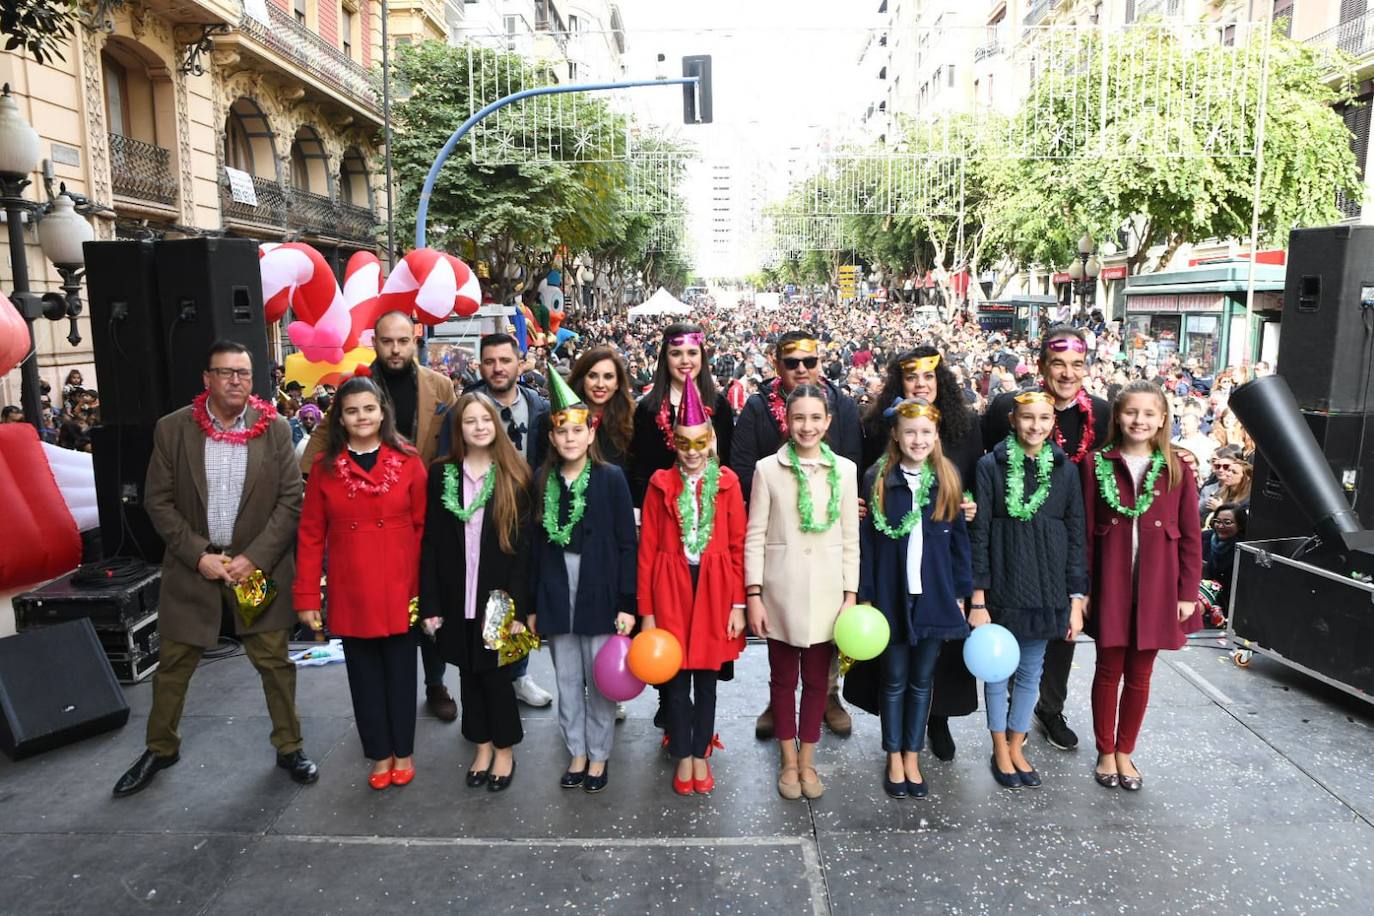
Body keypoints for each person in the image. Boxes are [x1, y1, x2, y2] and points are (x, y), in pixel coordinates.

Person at [113, 341, 317, 797]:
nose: (235, 381)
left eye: (243, 374)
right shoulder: (173, 430)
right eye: (225, 373)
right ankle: (160, 748)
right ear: (206, 378)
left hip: (255, 570)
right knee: (174, 665)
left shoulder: (276, 429)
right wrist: (198, 555)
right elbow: (157, 501)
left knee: (274, 662)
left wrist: (255, 558)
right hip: (195, 566)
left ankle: (290, 747)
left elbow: (290, 501)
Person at [300, 311, 463, 723]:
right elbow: (317, 448)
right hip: (371, 509)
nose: (395, 349)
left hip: (431, 507)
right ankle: (390, 702)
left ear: (415, 340)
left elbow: (460, 439)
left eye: (403, 341)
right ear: (376, 342)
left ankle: (435, 683)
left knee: (428, 601)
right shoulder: (355, 388)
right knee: (388, 610)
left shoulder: (440, 386)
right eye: (387, 341)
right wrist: (331, 477)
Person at [294, 375, 427, 790]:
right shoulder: (325, 467)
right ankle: (380, 753)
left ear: (382, 411)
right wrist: (306, 595)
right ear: (341, 419)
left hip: (401, 585)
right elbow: (311, 533)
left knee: (403, 675)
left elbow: (425, 529)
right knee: (364, 678)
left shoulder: (408, 459)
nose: (362, 417)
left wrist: (427, 591)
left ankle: (403, 751)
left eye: (369, 408)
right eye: (352, 411)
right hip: (351, 588)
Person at [982, 326, 1108, 753]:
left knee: (1059, 637)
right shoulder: (1006, 407)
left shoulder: (1101, 414)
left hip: (1067, 539)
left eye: (1076, 365)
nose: (1067, 373)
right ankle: (1006, 730)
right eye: (1058, 363)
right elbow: (983, 465)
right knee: (1008, 648)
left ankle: (1048, 709)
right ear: (1041, 366)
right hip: (1010, 547)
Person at [733, 331, 863, 740]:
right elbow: (741, 467)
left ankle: (828, 696)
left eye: (810, 361)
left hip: (826, 537)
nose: (803, 369)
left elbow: (851, 458)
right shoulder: (757, 407)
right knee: (784, 637)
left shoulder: (840, 403)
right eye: (793, 363)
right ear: (777, 366)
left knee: (825, 630)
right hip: (778, 537)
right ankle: (779, 701)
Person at [860, 347, 981, 761]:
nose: (918, 439)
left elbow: (960, 544)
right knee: (893, 677)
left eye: (926, 434)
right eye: (910, 433)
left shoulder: (948, 476)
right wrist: (866, 595)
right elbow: (869, 540)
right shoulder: (878, 476)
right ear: (896, 433)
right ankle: (895, 752)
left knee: (923, 677)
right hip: (892, 592)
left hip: (935, 590)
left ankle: (914, 751)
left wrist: (965, 593)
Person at [1083, 380, 1203, 791]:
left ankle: (1125, 751)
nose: (1139, 420)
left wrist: (1188, 592)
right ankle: (1104, 749)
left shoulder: (1177, 467)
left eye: (1149, 414)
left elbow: (1190, 534)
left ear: (1162, 419)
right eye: (1132, 412)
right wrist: (1082, 591)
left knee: (1140, 675)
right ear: (1118, 416)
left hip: (1157, 587)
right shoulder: (1097, 463)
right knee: (1107, 669)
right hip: (1110, 584)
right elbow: (1083, 532)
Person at [744, 384, 860, 800]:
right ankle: (787, 758)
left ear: (827, 422)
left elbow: (850, 537)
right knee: (782, 679)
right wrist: (753, 593)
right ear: (786, 421)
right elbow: (755, 535)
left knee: (816, 681)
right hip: (780, 590)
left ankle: (808, 758)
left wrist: (850, 595)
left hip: (828, 593)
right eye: (799, 418)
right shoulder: (767, 469)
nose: (807, 426)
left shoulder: (844, 471)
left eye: (815, 418)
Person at [970, 389, 1087, 789]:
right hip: (1003, 582)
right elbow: (980, 531)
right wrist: (978, 597)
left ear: (1053, 423)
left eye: (1043, 418)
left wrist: (1075, 599)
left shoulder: (1065, 470)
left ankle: (1018, 743)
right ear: (1012, 421)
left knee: (1031, 672)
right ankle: (999, 746)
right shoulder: (991, 466)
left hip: (1047, 587)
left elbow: (1076, 536)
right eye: (1027, 418)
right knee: (998, 673)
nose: (1035, 426)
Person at [529, 371, 637, 794]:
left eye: (578, 430)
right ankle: (575, 749)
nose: (570, 438)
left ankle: (599, 752)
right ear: (552, 439)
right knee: (567, 680)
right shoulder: (542, 480)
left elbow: (627, 544)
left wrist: (627, 603)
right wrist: (534, 604)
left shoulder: (610, 479)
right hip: (557, 589)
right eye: (562, 432)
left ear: (590, 435)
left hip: (599, 588)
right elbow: (535, 548)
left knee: (601, 678)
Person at [418, 394, 533, 793]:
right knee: (468, 672)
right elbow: (431, 543)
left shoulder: (514, 475)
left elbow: (522, 550)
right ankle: (481, 745)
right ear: (459, 428)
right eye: (470, 421)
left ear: (496, 425)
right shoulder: (442, 475)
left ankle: (504, 749)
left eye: (486, 419)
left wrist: (518, 606)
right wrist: (430, 602)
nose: (480, 426)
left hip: (498, 598)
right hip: (456, 595)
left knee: (496, 675)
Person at [638, 380, 748, 796]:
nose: (693, 451)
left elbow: (737, 547)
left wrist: (738, 604)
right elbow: (647, 552)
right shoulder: (659, 484)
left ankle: (701, 751)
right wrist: (647, 613)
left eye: (700, 442)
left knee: (705, 675)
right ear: (674, 443)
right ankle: (682, 752)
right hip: (670, 584)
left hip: (716, 587)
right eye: (684, 443)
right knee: (675, 675)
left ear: (711, 441)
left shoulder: (728, 484)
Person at [464, 332, 554, 709]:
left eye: (505, 360)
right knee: (482, 596)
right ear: (480, 365)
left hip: (526, 516)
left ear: (520, 363)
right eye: (490, 361)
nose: (498, 368)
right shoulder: (465, 407)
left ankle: (519, 674)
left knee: (521, 593)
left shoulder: (537, 407)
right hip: (479, 516)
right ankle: (485, 674)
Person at [628, 323, 735, 507]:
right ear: (665, 358)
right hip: (663, 509)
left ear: (702, 356)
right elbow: (640, 470)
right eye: (676, 353)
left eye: (692, 353)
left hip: (712, 507)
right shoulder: (648, 408)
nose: (685, 360)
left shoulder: (719, 405)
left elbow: (728, 461)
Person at [568, 346, 634, 469]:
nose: (600, 384)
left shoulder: (632, 421)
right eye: (592, 376)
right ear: (582, 379)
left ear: (617, 383)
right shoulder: (559, 418)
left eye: (608, 377)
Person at [1202, 504, 1245, 618]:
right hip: (1202, 600)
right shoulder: (1203, 538)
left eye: (1227, 522)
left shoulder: (1244, 548)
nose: (1221, 526)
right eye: (1217, 521)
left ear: (1240, 525)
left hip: (1230, 609)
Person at [1201, 448, 1251, 527]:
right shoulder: (1220, 492)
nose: (1228, 474)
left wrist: (1220, 509)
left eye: (1234, 472)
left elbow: (1244, 524)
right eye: (1229, 470)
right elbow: (1203, 515)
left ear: (1246, 478)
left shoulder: (1249, 499)